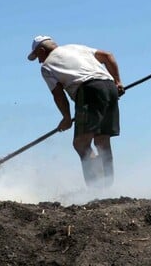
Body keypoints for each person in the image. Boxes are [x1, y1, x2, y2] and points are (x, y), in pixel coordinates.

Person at [27, 35, 125, 188]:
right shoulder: (76, 48)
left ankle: (96, 190)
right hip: (109, 87)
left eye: (38, 56)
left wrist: (66, 118)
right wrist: (118, 81)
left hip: (88, 91)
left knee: (81, 143)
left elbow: (58, 94)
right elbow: (108, 56)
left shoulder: (47, 66)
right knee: (102, 141)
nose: (39, 61)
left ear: (42, 50)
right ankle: (108, 188)